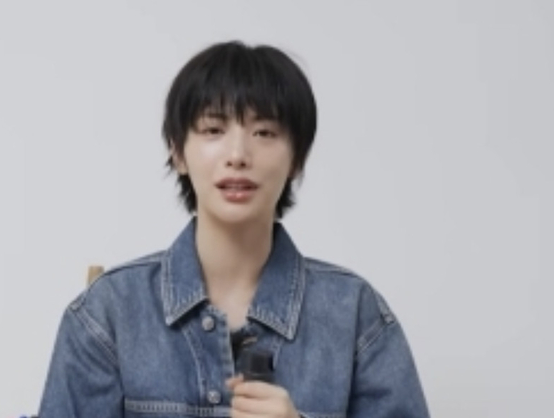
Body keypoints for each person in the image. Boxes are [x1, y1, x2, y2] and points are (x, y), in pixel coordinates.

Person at [38, 40, 430, 418]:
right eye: (213, 130)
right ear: (177, 151)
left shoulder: (353, 313)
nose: (238, 155)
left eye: (265, 133)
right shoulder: (109, 312)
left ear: (297, 158)